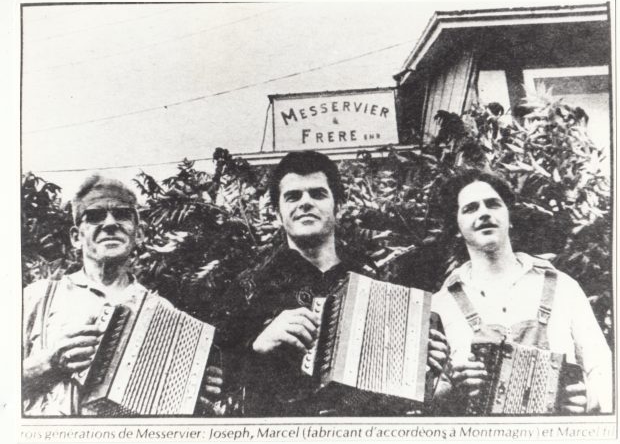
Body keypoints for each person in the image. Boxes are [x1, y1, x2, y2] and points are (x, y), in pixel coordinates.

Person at [214, 150, 448, 416]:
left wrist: (423, 368)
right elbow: (216, 381)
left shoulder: (376, 281)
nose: (305, 203)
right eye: (293, 196)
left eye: (317, 194)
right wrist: (256, 346)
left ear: (339, 207)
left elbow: (398, 395)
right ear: (278, 214)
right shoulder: (249, 286)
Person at [22, 175, 222, 416]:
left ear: (139, 235)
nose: (109, 224)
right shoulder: (37, 298)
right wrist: (47, 365)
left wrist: (193, 390)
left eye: (122, 214)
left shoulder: (163, 312)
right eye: (94, 216)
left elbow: (170, 412)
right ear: (76, 237)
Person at [431, 168, 612, 414]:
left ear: (510, 217)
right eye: (471, 208)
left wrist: (590, 399)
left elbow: (603, 367)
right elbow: (431, 396)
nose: (484, 213)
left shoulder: (563, 287)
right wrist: (453, 390)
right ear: (456, 227)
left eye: (493, 204)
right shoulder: (441, 304)